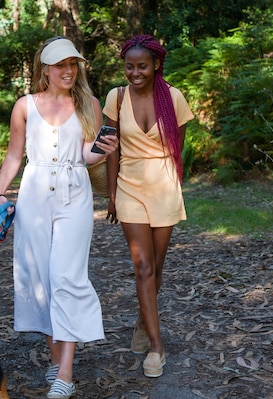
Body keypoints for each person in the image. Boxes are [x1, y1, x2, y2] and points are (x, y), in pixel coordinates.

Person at [0, 36, 118, 399]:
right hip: (33, 194)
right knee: (39, 279)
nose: (68, 70)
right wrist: (1, 193)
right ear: (44, 69)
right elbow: (15, 155)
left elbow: (85, 154)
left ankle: (65, 372)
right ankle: (55, 357)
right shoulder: (24, 106)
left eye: (72, 64)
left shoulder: (89, 104)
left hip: (74, 194)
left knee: (66, 275)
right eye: (60, 64)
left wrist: (99, 150)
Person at [103, 34, 194, 378]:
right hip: (129, 185)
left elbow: (177, 150)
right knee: (142, 267)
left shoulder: (173, 98)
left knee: (156, 265)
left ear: (156, 65)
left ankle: (143, 321)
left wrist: (171, 184)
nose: (135, 73)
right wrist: (112, 194)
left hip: (164, 185)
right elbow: (111, 149)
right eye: (129, 66)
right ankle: (157, 348)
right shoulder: (117, 96)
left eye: (142, 66)